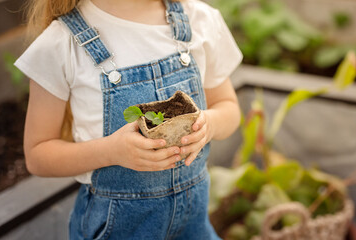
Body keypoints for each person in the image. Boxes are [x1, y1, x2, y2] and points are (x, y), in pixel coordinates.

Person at [16, 0, 242, 238]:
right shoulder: (60, 44)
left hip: (194, 229)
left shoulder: (199, 20)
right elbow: (38, 156)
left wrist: (209, 125)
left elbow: (228, 107)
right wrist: (111, 152)